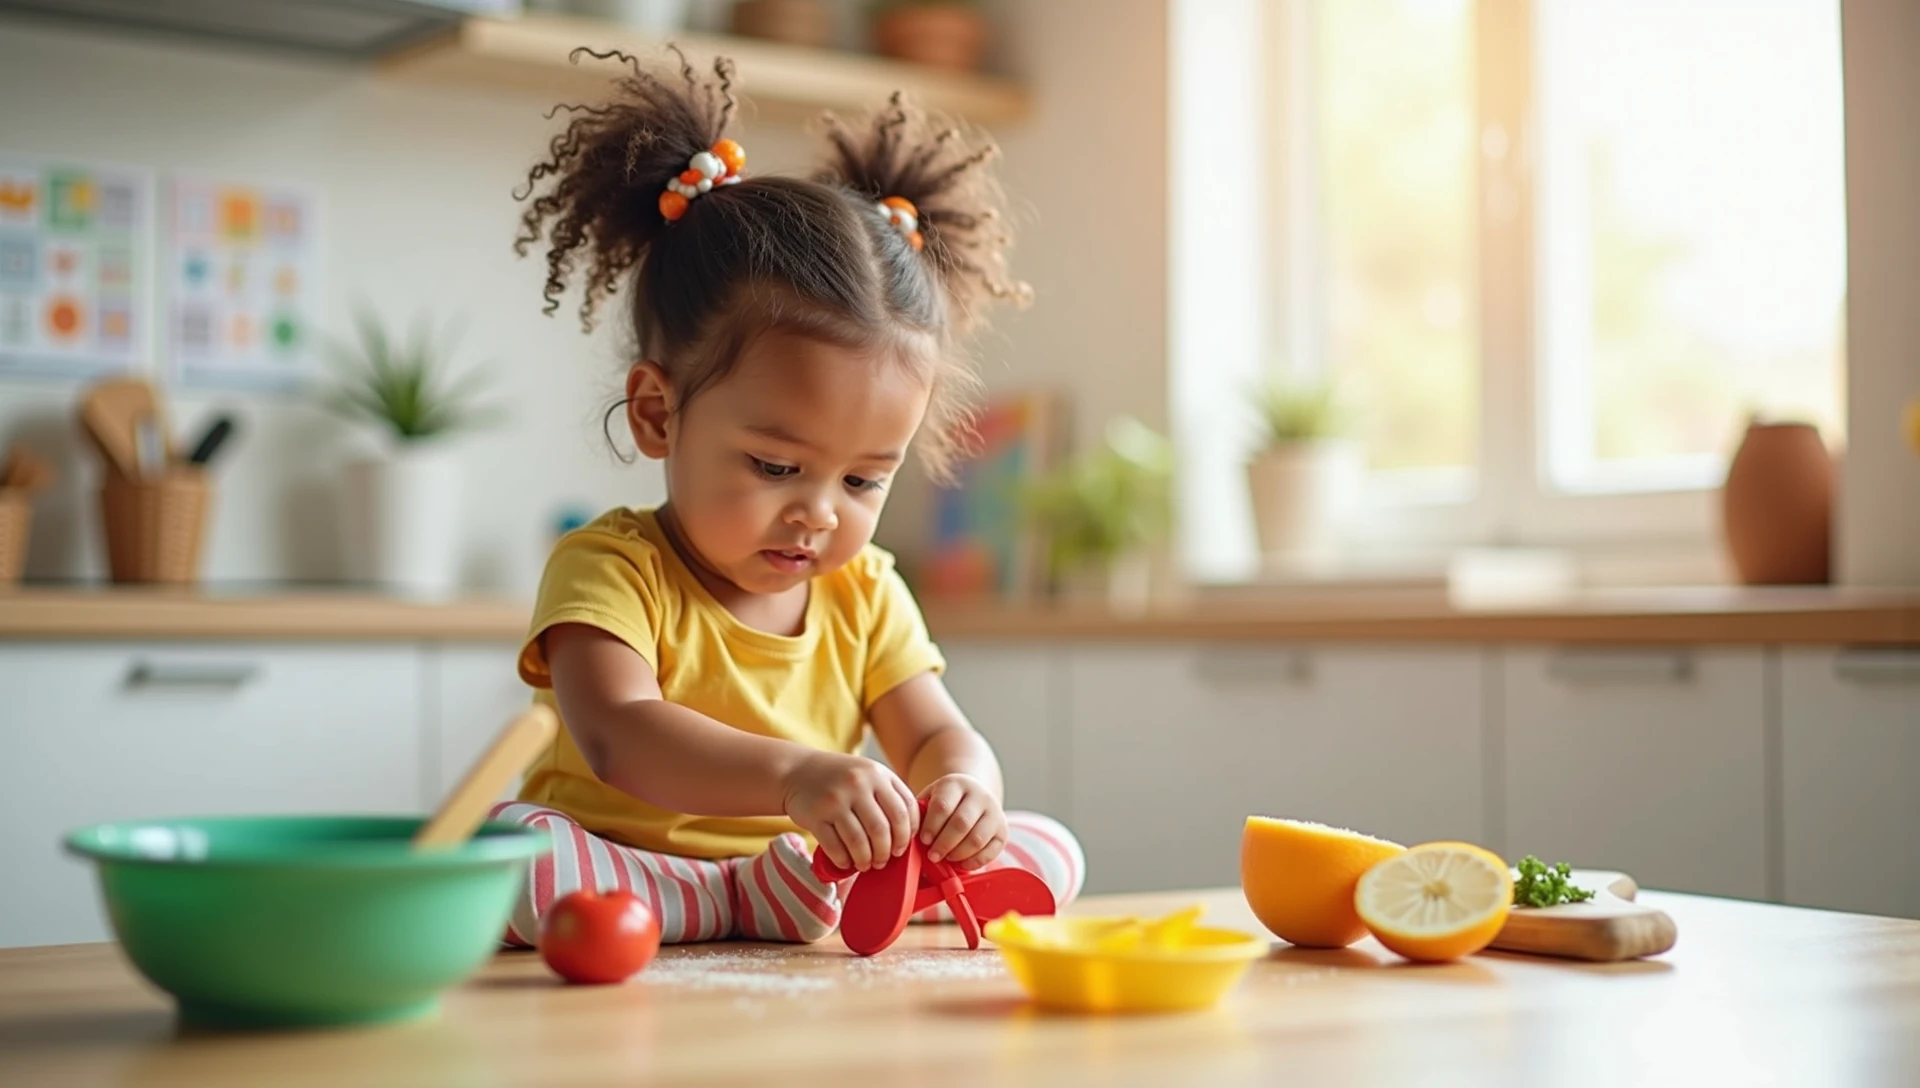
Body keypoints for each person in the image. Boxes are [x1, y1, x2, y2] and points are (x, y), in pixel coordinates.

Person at [489, 47, 1084, 945]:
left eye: (863, 479)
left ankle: (789, 895)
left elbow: (932, 739)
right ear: (658, 413)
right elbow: (621, 731)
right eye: (775, 467)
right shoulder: (611, 567)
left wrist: (965, 790)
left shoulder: (866, 589)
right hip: (631, 863)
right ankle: (729, 900)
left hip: (810, 867)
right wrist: (795, 778)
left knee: (1048, 846)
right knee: (515, 854)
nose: (819, 512)